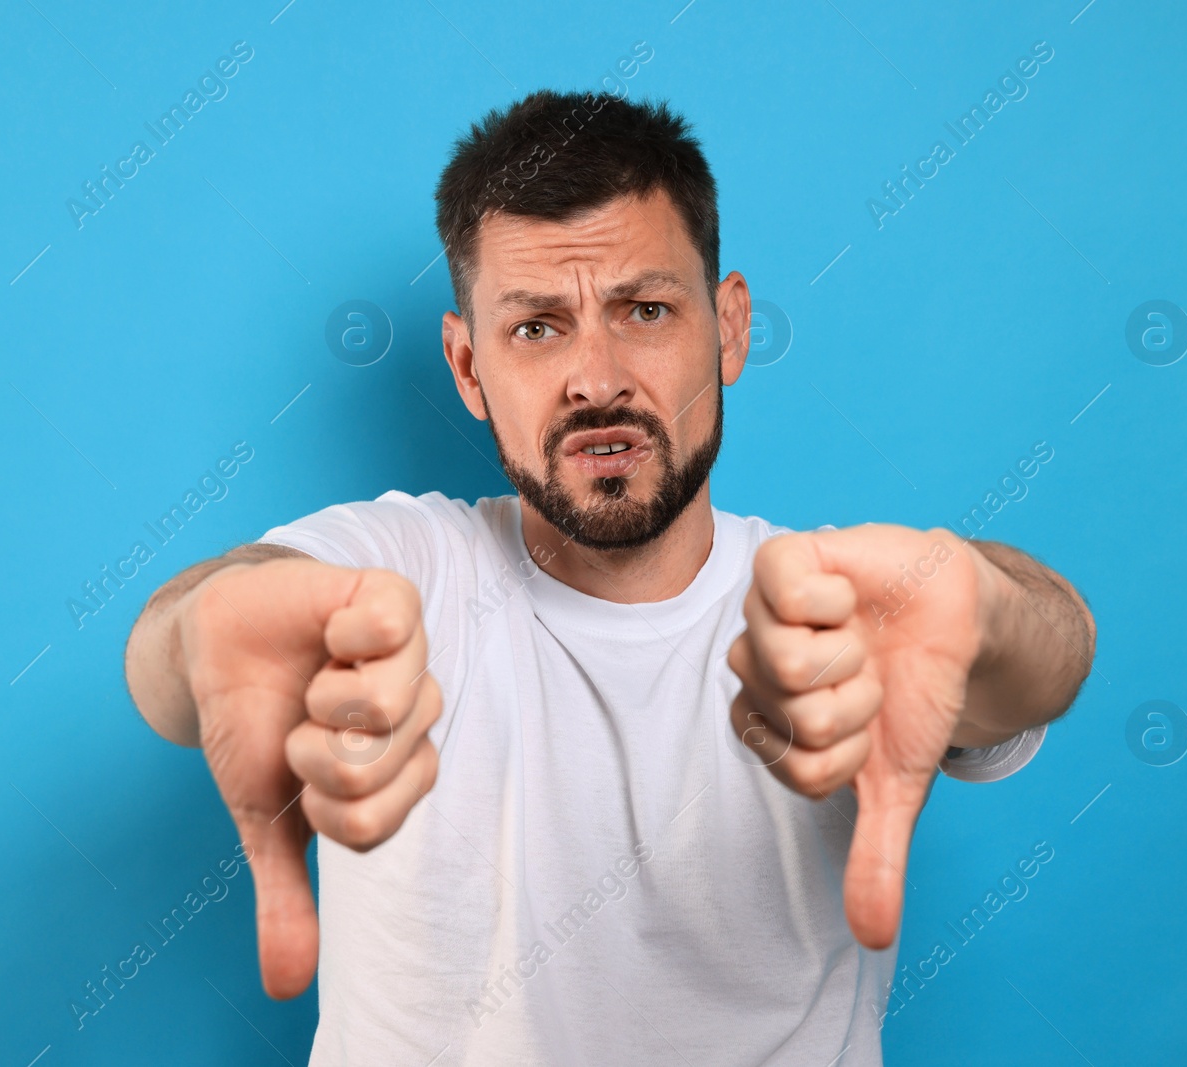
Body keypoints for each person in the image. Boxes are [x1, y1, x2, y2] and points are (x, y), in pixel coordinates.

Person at [123, 89, 1096, 1065]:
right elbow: (201, 628)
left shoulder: (829, 610)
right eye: (536, 327)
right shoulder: (395, 572)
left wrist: (986, 608)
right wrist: (206, 627)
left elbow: (1037, 649)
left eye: (644, 309)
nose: (595, 376)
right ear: (466, 368)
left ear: (728, 327)